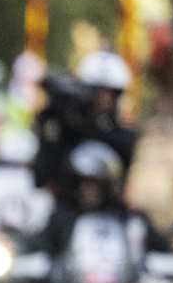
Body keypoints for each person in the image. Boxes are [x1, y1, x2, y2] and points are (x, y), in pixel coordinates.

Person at [34, 50, 138, 193]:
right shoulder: (63, 127)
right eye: (98, 92)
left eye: (110, 93)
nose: (104, 99)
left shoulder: (123, 138)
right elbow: (41, 174)